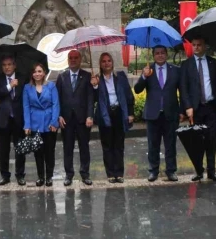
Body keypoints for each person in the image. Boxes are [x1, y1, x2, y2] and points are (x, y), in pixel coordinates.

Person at [179, 36, 216, 182]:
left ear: (205, 46)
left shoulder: (214, 63)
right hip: (195, 109)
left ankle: (212, 171)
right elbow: (183, 88)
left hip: (211, 107)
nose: (196, 47)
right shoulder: (186, 65)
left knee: (211, 140)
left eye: (199, 45)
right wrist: (187, 107)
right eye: (194, 45)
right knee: (197, 142)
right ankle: (198, 171)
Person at [134, 45, 181, 182]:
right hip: (153, 114)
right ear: (153, 55)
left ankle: (171, 171)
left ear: (166, 54)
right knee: (153, 145)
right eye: (157, 53)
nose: (160, 55)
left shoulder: (175, 70)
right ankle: (153, 171)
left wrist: (183, 110)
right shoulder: (149, 71)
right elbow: (137, 90)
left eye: (162, 53)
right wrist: (143, 76)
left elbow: (183, 90)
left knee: (170, 144)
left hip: (170, 113)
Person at [92, 53, 134, 183]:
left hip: (119, 113)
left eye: (109, 60)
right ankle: (110, 173)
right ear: (100, 64)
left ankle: (119, 173)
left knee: (119, 145)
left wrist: (130, 113)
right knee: (107, 145)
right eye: (103, 61)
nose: (106, 63)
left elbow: (128, 95)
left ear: (112, 62)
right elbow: (93, 99)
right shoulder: (97, 78)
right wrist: (94, 86)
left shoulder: (120, 76)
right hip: (105, 114)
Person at [55, 49, 95, 186]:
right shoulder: (61, 77)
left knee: (84, 147)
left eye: (76, 57)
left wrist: (90, 115)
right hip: (66, 119)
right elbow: (57, 99)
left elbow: (90, 98)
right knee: (67, 147)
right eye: (70, 57)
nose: (73, 60)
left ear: (80, 59)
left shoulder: (87, 76)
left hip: (83, 119)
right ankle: (69, 175)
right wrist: (58, 115)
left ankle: (85, 174)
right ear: (68, 60)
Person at [0, 55, 28, 186]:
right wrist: (9, 86)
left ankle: (20, 175)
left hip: (19, 118)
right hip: (4, 119)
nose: (7, 67)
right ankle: (5, 175)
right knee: (4, 149)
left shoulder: (23, 78)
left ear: (15, 65)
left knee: (20, 148)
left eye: (9, 64)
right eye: (4, 65)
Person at [23, 62, 60, 186]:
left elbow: (56, 104)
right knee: (38, 152)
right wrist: (27, 125)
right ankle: (40, 177)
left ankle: (49, 176)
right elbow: (26, 107)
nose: (37, 74)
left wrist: (54, 122)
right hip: (35, 123)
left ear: (44, 73)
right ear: (32, 74)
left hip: (49, 123)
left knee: (49, 152)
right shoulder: (27, 88)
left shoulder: (51, 86)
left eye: (40, 71)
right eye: (35, 71)